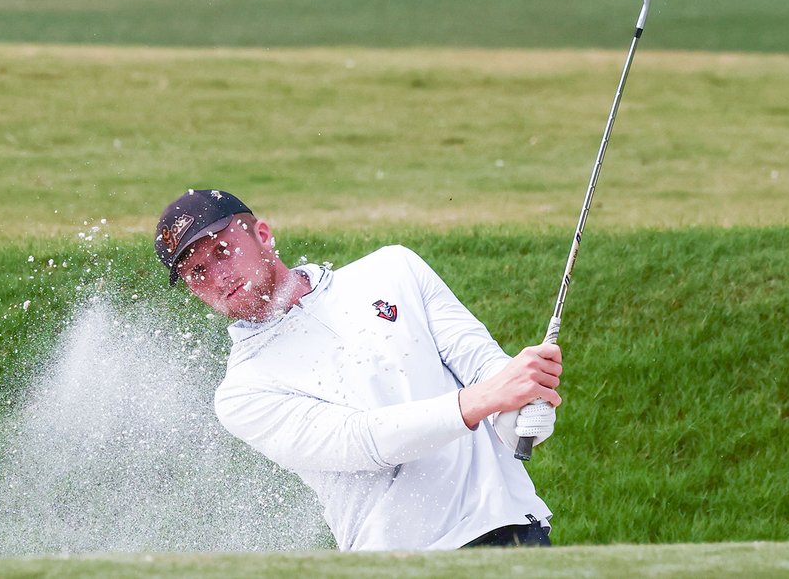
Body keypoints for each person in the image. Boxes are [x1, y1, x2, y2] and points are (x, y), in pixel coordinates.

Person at [153, 189, 562, 551]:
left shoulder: (393, 269)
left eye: (223, 251)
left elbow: (486, 371)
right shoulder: (242, 392)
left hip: (510, 529)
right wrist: (489, 397)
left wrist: (527, 407)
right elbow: (365, 442)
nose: (218, 276)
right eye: (198, 273)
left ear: (262, 234)